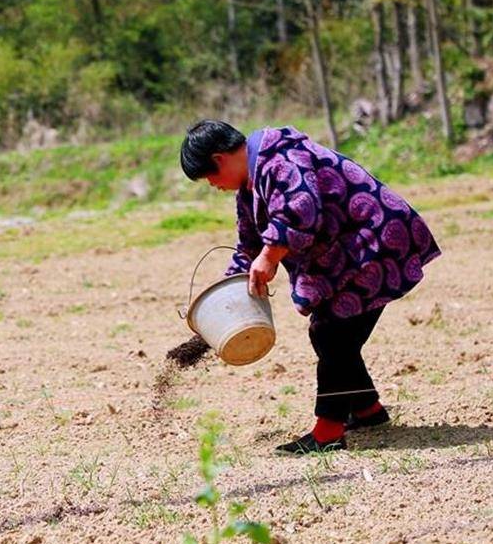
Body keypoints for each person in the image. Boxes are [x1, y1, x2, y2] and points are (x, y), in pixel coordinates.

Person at [180, 120, 440, 455]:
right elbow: (248, 245)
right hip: (352, 254)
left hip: (375, 244)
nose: (213, 185)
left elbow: (301, 210)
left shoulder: (280, 159)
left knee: (333, 336)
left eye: (209, 178)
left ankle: (328, 431)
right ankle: (367, 410)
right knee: (331, 334)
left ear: (219, 158)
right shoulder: (250, 186)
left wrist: (271, 255)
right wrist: (227, 291)